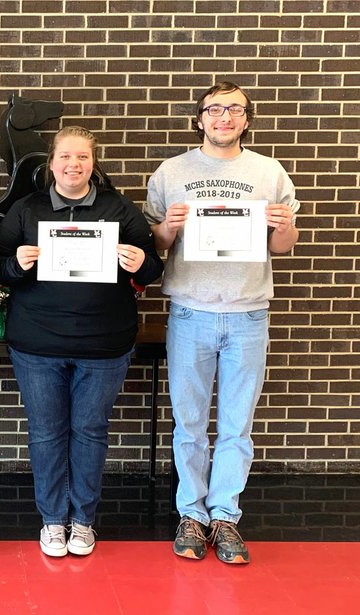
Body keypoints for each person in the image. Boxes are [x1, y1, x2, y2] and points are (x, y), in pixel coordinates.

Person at [0, 126, 163, 557]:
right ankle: (52, 521)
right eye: (65, 156)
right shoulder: (28, 211)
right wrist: (16, 264)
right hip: (37, 346)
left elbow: (152, 268)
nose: (73, 165)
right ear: (51, 164)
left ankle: (82, 521)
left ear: (93, 163)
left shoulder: (119, 209)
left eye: (82, 157)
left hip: (104, 345)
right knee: (46, 434)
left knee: (89, 432)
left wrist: (141, 263)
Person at [144, 82, 300, 564]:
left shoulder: (269, 172)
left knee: (237, 426)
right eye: (215, 109)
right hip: (191, 311)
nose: (224, 117)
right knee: (189, 424)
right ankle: (190, 514)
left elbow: (283, 248)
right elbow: (158, 245)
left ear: (247, 120)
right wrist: (169, 225)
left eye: (235, 110)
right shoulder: (172, 172)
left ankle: (225, 517)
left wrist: (283, 225)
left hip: (249, 312)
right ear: (200, 119)